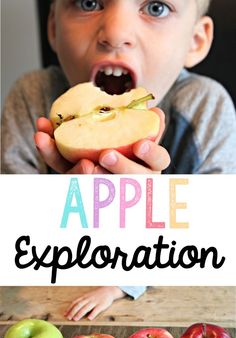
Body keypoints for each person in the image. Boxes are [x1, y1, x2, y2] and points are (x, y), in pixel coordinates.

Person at [2, 0, 236, 318]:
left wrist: (150, 209)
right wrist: (71, 207)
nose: (115, 32)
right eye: (89, 2)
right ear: (54, 26)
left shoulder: (207, 109)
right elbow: (14, 241)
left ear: (195, 40)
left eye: (156, 8)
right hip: (53, 307)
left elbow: (215, 247)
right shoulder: (31, 99)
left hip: (170, 314)